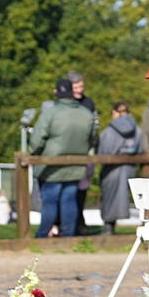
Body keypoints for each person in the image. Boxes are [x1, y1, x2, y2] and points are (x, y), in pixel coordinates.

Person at [30, 78, 98, 238]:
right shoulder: (86, 113)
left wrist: (37, 153)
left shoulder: (51, 112)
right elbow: (92, 138)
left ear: (57, 92)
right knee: (69, 200)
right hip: (76, 165)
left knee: (50, 201)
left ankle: (42, 235)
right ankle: (68, 236)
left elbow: (36, 140)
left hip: (51, 166)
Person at [98, 101, 147, 234]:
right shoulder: (137, 130)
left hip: (111, 170)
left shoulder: (108, 131)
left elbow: (102, 152)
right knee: (125, 196)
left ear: (114, 112)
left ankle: (108, 227)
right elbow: (142, 148)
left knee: (109, 196)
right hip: (129, 169)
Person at [66, 70, 99, 234]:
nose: (79, 89)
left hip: (85, 152)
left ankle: (79, 222)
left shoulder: (88, 103)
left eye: (81, 86)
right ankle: (72, 223)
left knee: (82, 189)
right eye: (76, 86)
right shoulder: (65, 103)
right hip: (69, 153)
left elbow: (94, 128)